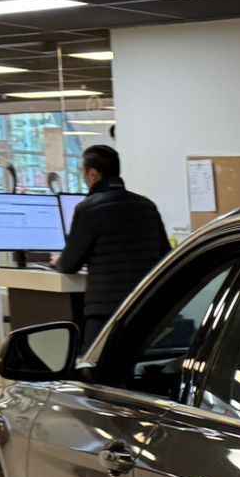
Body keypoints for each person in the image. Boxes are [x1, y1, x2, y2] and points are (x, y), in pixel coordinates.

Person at [56, 144, 171, 343]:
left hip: (106, 313)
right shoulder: (147, 206)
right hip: (146, 308)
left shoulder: (88, 209)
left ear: (93, 174)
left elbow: (69, 264)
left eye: (83, 173)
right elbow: (165, 255)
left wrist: (56, 260)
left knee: (95, 369)